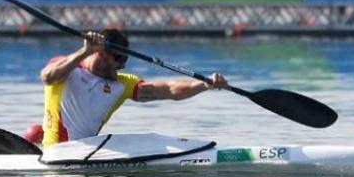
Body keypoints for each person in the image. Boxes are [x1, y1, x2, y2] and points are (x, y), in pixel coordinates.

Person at [39, 28, 228, 147]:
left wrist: (205, 84)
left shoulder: (122, 84)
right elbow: (48, 78)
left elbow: (169, 90)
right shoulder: (67, 68)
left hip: (86, 157)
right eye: (119, 59)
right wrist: (84, 51)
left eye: (125, 60)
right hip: (56, 155)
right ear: (102, 54)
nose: (122, 65)